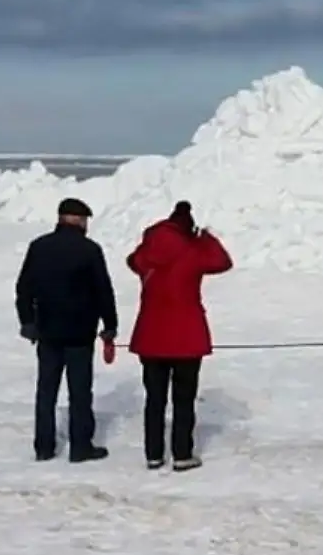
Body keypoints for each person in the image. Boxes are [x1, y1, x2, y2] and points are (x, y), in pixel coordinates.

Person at [126, 200, 233, 471]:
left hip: (151, 336)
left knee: (154, 399)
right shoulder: (193, 252)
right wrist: (204, 238)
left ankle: (153, 454)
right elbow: (223, 262)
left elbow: (132, 260)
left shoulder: (148, 252)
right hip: (187, 337)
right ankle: (182, 454)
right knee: (183, 399)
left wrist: (153, 236)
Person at [15, 196, 119, 463]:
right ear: (79, 220)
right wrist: (110, 325)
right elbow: (103, 291)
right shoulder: (89, 250)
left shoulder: (39, 247)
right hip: (80, 333)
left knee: (46, 391)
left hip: (47, 330)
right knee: (80, 392)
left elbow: (24, 287)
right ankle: (81, 446)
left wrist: (27, 321)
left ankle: (44, 447)